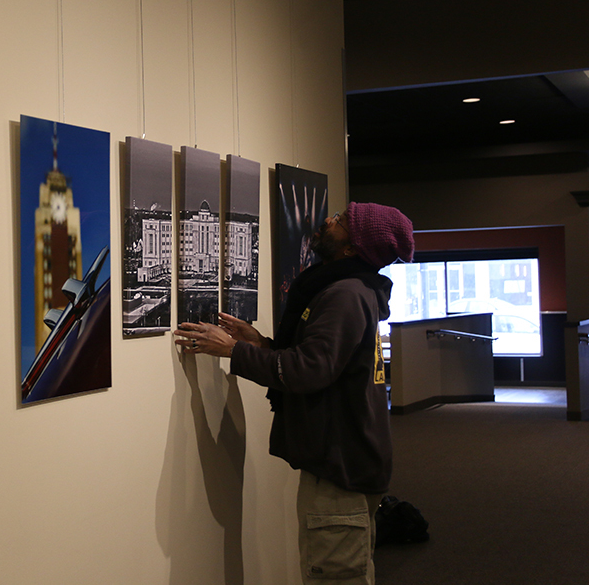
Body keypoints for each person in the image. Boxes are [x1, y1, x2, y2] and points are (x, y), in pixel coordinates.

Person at [174, 202, 414, 585]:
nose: (329, 220)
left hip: (340, 470)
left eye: (342, 221)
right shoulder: (348, 289)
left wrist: (234, 351)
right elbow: (326, 363)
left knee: (335, 577)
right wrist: (261, 344)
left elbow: (309, 370)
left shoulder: (345, 294)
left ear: (353, 247)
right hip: (346, 462)